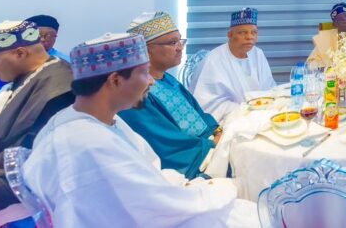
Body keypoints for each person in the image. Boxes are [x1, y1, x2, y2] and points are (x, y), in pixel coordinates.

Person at [23, 33, 259, 227]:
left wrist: (197, 186)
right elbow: (158, 206)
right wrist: (222, 189)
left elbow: (150, 173)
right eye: (145, 73)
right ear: (115, 80)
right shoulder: (87, 142)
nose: (152, 81)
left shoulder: (98, 120)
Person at [0, 20, 74, 226]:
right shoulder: (28, 76)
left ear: (19, 53)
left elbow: (28, 150)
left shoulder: (61, 83)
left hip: (20, 175)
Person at [119, 12, 221, 179]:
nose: (180, 47)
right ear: (147, 50)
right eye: (173, 42)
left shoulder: (168, 79)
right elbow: (167, 145)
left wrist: (217, 131)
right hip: (191, 163)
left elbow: (198, 114)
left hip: (207, 145)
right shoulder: (135, 94)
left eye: (180, 40)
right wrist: (212, 145)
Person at [194, 8, 276, 121]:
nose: (250, 37)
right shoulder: (213, 60)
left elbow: (269, 88)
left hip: (260, 114)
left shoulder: (258, 53)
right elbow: (208, 104)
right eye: (243, 32)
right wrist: (246, 111)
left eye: (254, 32)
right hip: (229, 119)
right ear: (230, 34)